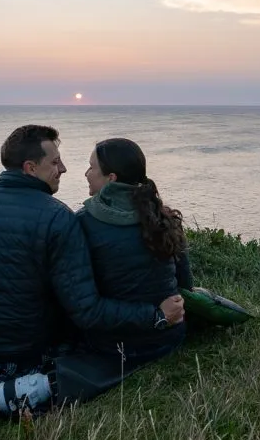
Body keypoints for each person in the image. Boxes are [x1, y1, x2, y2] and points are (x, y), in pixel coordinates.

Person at [0, 125, 184, 414]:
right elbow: (87, 309)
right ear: (31, 168)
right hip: (25, 345)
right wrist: (158, 314)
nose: (66, 169)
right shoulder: (59, 217)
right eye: (55, 162)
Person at [75, 137, 192, 376]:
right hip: (168, 339)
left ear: (111, 179)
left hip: (112, 347)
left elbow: (82, 304)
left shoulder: (83, 223)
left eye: (92, 167)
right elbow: (186, 285)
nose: (86, 173)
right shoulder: (164, 217)